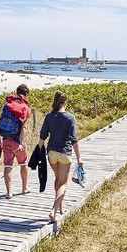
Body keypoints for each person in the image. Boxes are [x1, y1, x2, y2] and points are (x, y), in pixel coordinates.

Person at [37, 91, 83, 223]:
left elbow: (43, 135)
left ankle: (60, 207)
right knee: (63, 182)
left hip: (51, 153)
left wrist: (38, 150)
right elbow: (73, 139)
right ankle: (53, 210)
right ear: (65, 102)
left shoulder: (49, 116)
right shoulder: (70, 118)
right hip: (64, 152)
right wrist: (79, 157)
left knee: (57, 178)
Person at [0, 84, 32, 199]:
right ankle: (24, 188)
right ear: (26, 95)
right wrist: (21, 142)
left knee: (7, 166)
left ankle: (9, 192)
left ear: (16, 92)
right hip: (17, 141)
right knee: (23, 164)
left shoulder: (7, 106)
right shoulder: (24, 107)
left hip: (5, 139)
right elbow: (24, 128)